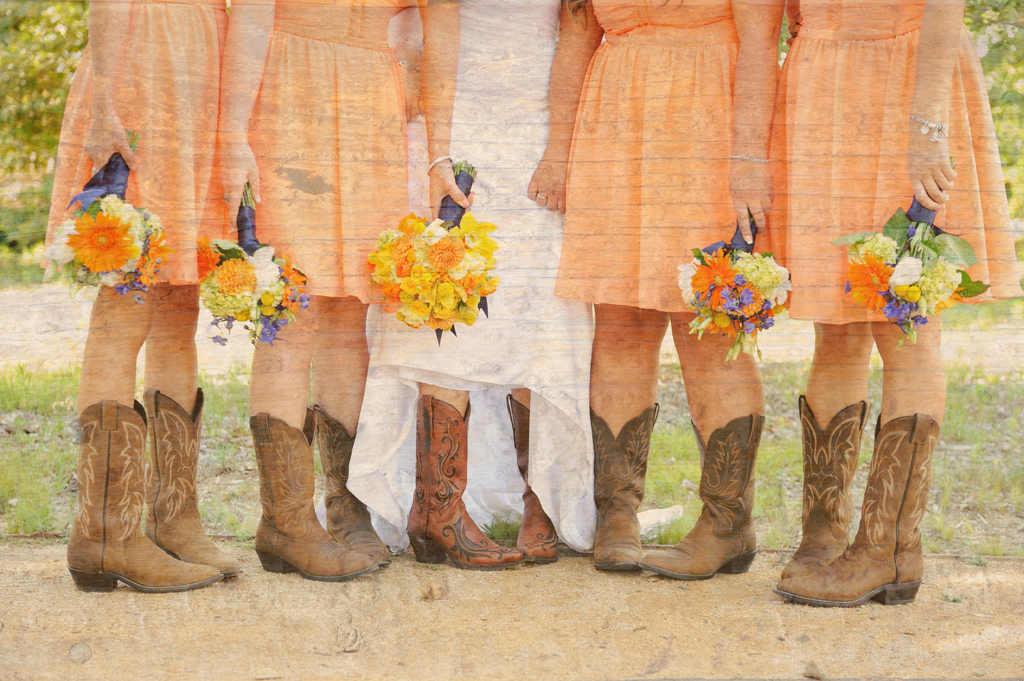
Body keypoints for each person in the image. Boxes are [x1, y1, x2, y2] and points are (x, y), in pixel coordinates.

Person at [772, 0, 1023, 607]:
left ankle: (887, 547)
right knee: (835, 323)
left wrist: (928, 127)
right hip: (821, 88)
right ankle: (823, 532)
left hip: (908, 83)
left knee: (906, 323)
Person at [218, 0, 465, 580]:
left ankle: (345, 509)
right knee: (290, 309)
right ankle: (285, 519)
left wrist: (439, 153)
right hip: (286, 92)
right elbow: (251, 15)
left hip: (370, 100)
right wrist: (232, 133)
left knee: (350, 312)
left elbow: (442, 30)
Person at [535, 0, 784, 576]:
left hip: (713, 122)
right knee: (619, 320)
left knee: (711, 324)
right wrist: (559, 148)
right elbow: (577, 36)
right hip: (615, 120)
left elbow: (760, 40)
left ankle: (727, 522)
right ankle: (617, 512)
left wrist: (749, 156)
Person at [346, 0, 597, 570]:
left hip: (538, 120)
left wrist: (560, 147)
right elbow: (432, 25)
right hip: (457, 121)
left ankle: (543, 497)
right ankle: (438, 508)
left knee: (538, 311)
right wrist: (439, 148)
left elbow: (579, 31)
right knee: (448, 302)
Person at [46, 0, 237, 592]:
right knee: (126, 300)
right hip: (143, 68)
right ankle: (106, 533)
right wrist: (105, 103)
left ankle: (173, 520)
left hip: (200, 70)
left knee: (180, 303)